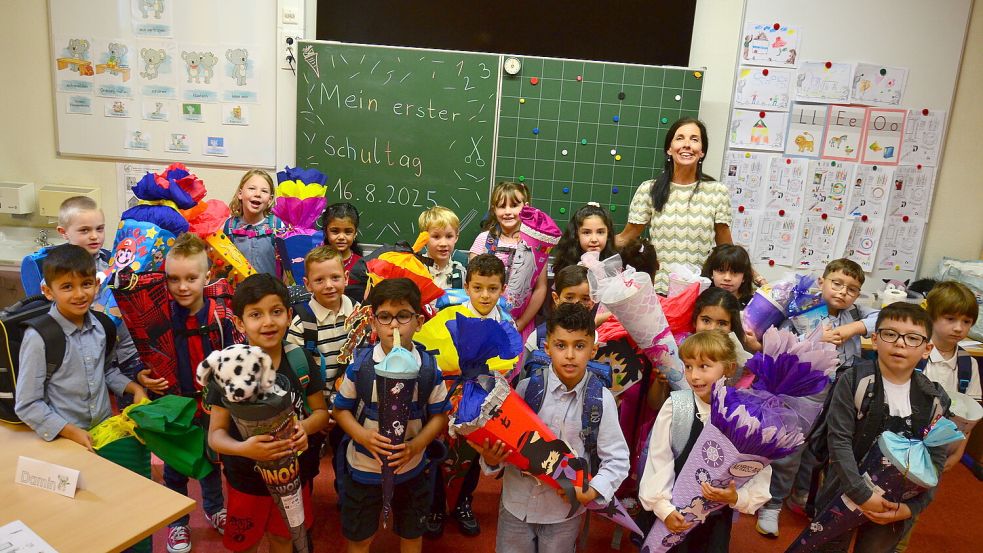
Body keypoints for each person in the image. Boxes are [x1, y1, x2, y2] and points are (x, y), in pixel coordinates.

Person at [476, 302, 630, 553]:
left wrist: (594, 489)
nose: (570, 355)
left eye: (579, 346)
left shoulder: (601, 400)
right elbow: (508, 442)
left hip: (563, 513)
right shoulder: (526, 389)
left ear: (593, 349)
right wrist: (492, 459)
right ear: (547, 347)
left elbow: (618, 459)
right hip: (516, 505)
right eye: (561, 345)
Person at [809, 303, 950, 552]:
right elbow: (839, 443)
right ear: (875, 340)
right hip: (843, 490)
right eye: (890, 334)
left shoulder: (936, 399)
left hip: (896, 503)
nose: (900, 343)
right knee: (826, 547)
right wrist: (862, 494)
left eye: (913, 338)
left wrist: (911, 508)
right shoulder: (853, 381)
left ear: (927, 348)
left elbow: (935, 462)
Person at [206, 274, 330, 553]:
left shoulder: (299, 361)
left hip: (296, 477)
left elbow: (321, 413)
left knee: (284, 538)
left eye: (276, 312)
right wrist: (244, 448)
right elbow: (215, 436)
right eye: (255, 314)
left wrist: (305, 429)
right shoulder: (228, 371)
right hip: (247, 481)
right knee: (244, 544)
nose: (267, 322)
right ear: (239, 322)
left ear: (288, 315)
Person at [758, 257, 880, 536]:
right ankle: (772, 502)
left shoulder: (856, 313)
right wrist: (814, 340)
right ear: (822, 282)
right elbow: (780, 347)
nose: (842, 292)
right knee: (792, 449)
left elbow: (886, 316)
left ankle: (801, 494)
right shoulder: (803, 309)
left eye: (851, 289)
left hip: (841, 394)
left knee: (819, 450)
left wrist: (853, 329)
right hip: (805, 392)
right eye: (837, 283)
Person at [136, 234, 238, 553]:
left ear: (207, 277)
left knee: (210, 461)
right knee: (175, 466)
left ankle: (214, 508)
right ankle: (178, 523)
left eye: (191, 278)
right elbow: (141, 354)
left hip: (211, 407)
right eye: (174, 279)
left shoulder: (219, 316)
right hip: (174, 404)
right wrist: (142, 377)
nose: (182, 287)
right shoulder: (161, 315)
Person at [333, 278, 450, 553]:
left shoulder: (429, 370)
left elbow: (440, 417)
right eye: (385, 317)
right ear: (373, 323)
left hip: (413, 469)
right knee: (359, 538)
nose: (394, 325)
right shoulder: (361, 366)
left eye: (403, 316)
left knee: (412, 534)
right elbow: (340, 410)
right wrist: (363, 435)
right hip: (364, 468)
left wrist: (416, 446)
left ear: (419, 322)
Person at [638, 330, 772, 551]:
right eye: (688, 366)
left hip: (714, 520)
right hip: (672, 515)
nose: (694, 376)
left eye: (704, 367)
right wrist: (664, 509)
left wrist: (737, 497)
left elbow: (758, 470)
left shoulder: (742, 416)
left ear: (728, 369)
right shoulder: (677, 406)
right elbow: (658, 460)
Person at [14, 244, 148, 446]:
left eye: (86, 284)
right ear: (48, 291)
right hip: (62, 438)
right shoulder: (39, 337)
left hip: (103, 432)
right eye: (67, 286)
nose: (79, 294)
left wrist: (135, 389)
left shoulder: (103, 326)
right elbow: (28, 404)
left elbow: (106, 372)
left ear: (96, 284)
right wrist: (70, 431)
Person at [423, 253, 511, 538]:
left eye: (493, 288)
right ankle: (435, 505)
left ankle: (463, 502)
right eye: (477, 287)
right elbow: (431, 349)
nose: (485, 295)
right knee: (441, 452)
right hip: (450, 395)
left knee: (473, 454)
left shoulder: (506, 322)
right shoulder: (451, 315)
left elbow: (510, 361)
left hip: (484, 401)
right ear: (468, 286)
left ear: (502, 288)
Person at [617, 118, 734, 295]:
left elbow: (726, 247)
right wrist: (588, 244)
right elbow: (626, 237)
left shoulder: (717, 192)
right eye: (680, 138)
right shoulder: (649, 189)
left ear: (702, 151)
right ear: (669, 149)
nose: (687, 145)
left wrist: (754, 276)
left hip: (698, 293)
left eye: (694, 139)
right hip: (658, 292)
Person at [469, 181, 547, 335]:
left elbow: (540, 287)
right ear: (494, 209)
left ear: (526, 207)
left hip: (520, 323)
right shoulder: (483, 240)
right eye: (501, 206)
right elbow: (472, 284)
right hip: (484, 319)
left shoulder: (536, 245)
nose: (508, 212)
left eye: (514, 205)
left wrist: (521, 323)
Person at [524, 264, 595, 359]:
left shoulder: (598, 339)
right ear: (556, 298)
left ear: (593, 301)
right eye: (569, 298)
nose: (576, 304)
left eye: (585, 299)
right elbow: (526, 371)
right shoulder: (538, 336)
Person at [224, 169, 282, 277]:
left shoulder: (277, 226)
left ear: (270, 199)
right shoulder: (229, 226)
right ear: (240, 194)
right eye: (252, 188)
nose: (258, 194)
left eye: (264, 191)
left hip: (270, 291)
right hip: (239, 291)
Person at [550, 202, 617, 276]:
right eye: (586, 233)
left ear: (608, 234)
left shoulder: (614, 265)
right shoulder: (565, 264)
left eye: (600, 232)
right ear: (576, 234)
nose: (594, 239)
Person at [321, 202, 368, 304]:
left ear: (355, 233)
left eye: (348, 232)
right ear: (325, 232)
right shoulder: (316, 262)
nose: (341, 237)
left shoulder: (362, 265)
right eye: (335, 231)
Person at [418, 206, 467, 291]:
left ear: (456, 237)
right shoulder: (416, 268)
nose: (443, 243)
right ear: (424, 238)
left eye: (449, 236)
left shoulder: (461, 272)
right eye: (436, 237)